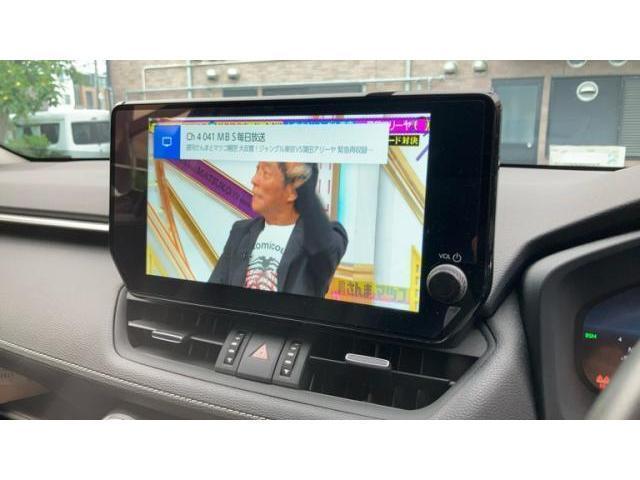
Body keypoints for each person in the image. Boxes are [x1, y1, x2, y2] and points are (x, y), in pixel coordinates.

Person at [208, 162, 348, 298]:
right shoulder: (241, 231)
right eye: (257, 170)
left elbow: (324, 249)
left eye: (265, 173)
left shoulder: (323, 238)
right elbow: (213, 295)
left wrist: (300, 177)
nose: (254, 180)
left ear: (292, 191)